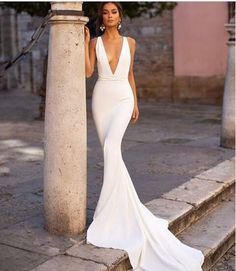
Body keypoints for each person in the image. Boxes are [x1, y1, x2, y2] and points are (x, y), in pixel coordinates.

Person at [84, 2, 204, 271]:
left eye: (114, 11)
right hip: (102, 99)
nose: (110, 16)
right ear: (101, 18)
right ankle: (122, 209)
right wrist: (83, 39)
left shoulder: (131, 43)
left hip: (123, 99)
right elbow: (88, 72)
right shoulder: (93, 42)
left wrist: (135, 102)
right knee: (109, 153)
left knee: (113, 148)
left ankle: (109, 215)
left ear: (120, 17)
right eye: (105, 12)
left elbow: (129, 74)